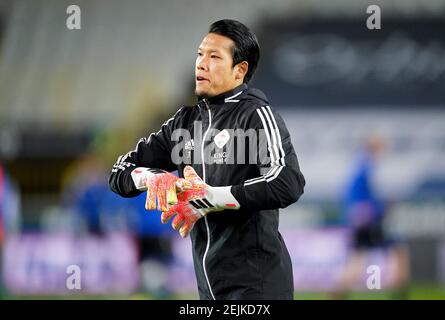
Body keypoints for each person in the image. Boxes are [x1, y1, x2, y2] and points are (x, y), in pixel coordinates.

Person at [109, 19, 305, 300]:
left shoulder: (256, 115)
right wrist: (153, 178)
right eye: (200, 54)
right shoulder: (184, 124)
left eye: (214, 57)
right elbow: (119, 172)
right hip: (209, 289)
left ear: (240, 70)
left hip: (258, 288)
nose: (201, 63)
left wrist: (211, 197)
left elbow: (288, 182)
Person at [332, 135, 409, 299]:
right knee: (398, 253)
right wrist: (382, 207)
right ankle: (400, 293)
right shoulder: (368, 165)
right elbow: (365, 197)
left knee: (357, 261)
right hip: (370, 220)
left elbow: (352, 196)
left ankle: (336, 294)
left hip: (361, 221)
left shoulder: (360, 165)